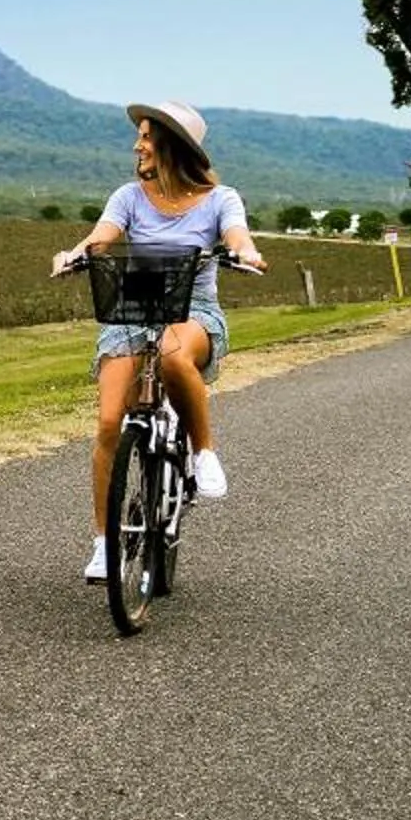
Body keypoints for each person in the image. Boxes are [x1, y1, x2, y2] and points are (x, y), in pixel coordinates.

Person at [50, 100, 266, 583]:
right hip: (132, 313)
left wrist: (246, 253)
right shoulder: (128, 196)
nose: (137, 144)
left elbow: (237, 236)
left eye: (146, 136)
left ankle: (204, 452)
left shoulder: (220, 199)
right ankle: (105, 545)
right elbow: (101, 238)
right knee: (109, 422)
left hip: (194, 313)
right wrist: (75, 254)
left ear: (171, 144)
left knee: (172, 353)